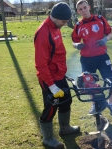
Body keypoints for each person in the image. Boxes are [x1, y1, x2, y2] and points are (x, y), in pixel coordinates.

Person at [34, 2, 80, 149]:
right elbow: (41, 64)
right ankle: (47, 138)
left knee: (66, 101)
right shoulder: (43, 33)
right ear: (56, 17)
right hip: (49, 79)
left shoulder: (56, 27)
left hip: (59, 75)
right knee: (51, 107)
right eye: (64, 21)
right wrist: (52, 86)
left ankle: (64, 128)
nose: (65, 24)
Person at [71, 0, 112, 116]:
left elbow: (110, 33)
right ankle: (93, 104)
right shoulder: (78, 26)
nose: (83, 11)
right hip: (86, 59)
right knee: (88, 84)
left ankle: (110, 103)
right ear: (78, 11)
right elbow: (74, 41)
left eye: (85, 8)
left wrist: (105, 39)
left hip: (102, 57)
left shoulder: (100, 19)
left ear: (89, 7)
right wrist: (76, 45)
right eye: (80, 9)